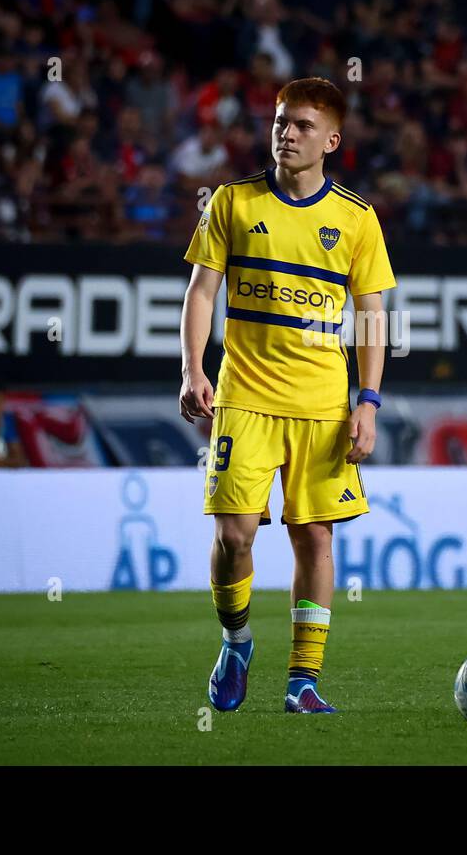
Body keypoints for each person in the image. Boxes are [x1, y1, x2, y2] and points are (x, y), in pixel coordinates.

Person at [179, 77, 397, 714]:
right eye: (281, 121)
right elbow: (201, 291)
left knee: (315, 538)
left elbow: (371, 314)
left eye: (303, 124)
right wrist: (195, 368)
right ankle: (237, 639)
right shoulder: (233, 201)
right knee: (235, 535)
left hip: (323, 404)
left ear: (331, 139)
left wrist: (369, 400)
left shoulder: (355, 218)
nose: (287, 132)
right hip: (243, 396)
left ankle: (304, 679)